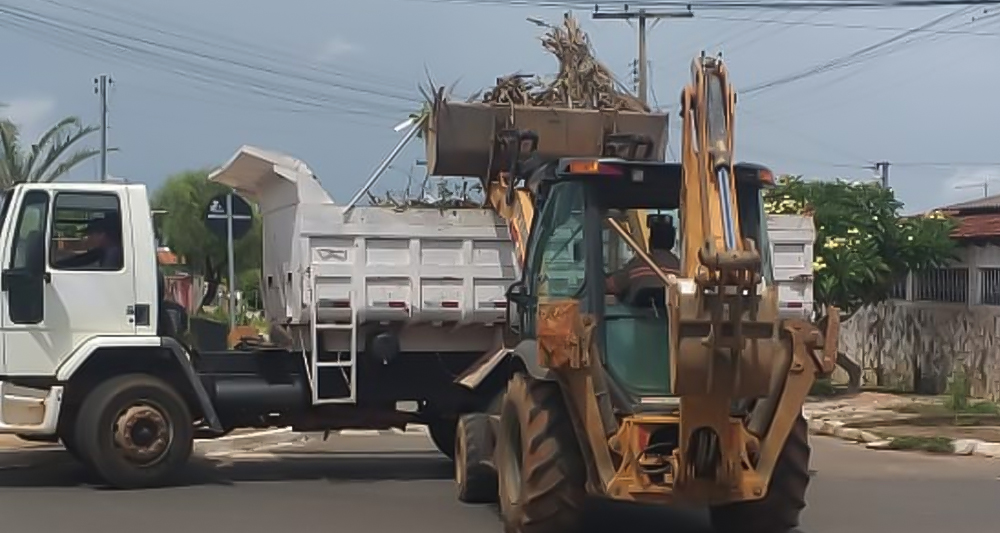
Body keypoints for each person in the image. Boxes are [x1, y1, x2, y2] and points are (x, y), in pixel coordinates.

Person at [605, 214, 680, 306]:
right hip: (670, 318)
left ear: (650, 240)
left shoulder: (638, 264)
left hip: (636, 319)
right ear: (672, 242)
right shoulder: (682, 268)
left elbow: (612, 286)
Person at [54, 215, 123, 270]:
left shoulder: (113, 253)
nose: (87, 238)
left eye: (90, 234)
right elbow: (81, 260)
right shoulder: (103, 250)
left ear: (102, 235)